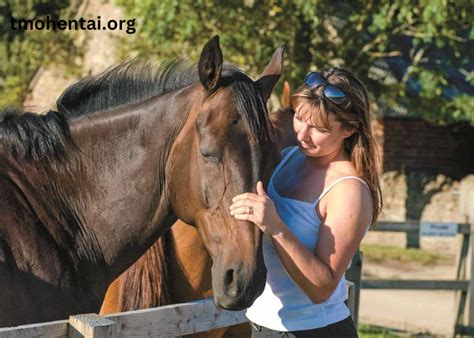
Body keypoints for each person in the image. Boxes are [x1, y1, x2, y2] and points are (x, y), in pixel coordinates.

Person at [229, 68, 382, 337]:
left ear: (348, 129)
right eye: (300, 118)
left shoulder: (348, 190)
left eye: (319, 128)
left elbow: (321, 289)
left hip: (316, 330)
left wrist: (276, 226)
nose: (302, 134)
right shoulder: (287, 158)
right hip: (261, 327)